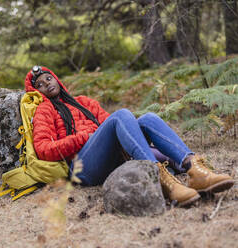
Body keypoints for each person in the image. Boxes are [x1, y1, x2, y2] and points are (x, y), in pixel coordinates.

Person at [25, 66, 234, 207]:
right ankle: (161, 180)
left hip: (111, 158)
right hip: (83, 168)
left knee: (148, 118)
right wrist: (85, 137)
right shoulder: (44, 111)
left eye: (48, 78)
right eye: (40, 85)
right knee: (122, 115)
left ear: (56, 79)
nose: (47, 84)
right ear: (37, 91)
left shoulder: (84, 102)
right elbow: (44, 150)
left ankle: (194, 167)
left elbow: (115, 127)